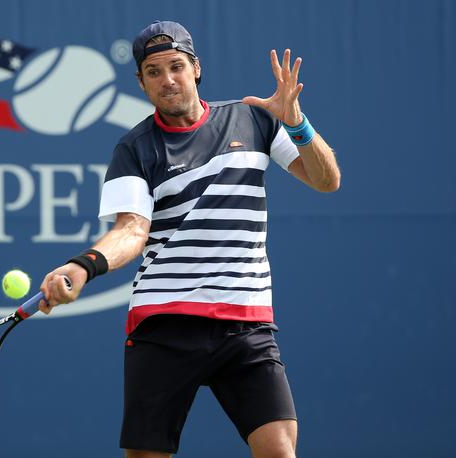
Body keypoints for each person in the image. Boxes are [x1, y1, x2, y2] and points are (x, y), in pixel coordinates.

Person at [38, 20, 340, 458]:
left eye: (176, 66)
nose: (168, 80)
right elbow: (131, 229)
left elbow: (326, 180)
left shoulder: (255, 118)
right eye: (154, 72)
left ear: (196, 68)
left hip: (246, 324)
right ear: (141, 82)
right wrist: (83, 265)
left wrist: (296, 124)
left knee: (279, 451)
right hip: (165, 324)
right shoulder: (134, 148)